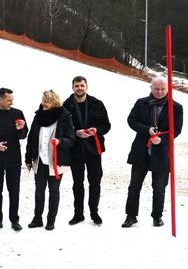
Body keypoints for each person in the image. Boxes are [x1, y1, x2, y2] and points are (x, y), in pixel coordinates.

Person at [122, 76, 183, 228]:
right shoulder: (141, 103)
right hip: (141, 151)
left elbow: (176, 130)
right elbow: (131, 120)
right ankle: (131, 216)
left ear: (168, 89)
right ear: (150, 88)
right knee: (134, 185)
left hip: (162, 153)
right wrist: (146, 130)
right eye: (156, 89)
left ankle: (157, 216)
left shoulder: (176, 107)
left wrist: (162, 140)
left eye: (163, 89)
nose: (160, 92)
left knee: (159, 187)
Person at [63, 76, 111, 225]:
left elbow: (107, 125)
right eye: (76, 86)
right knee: (78, 183)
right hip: (75, 150)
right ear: (72, 88)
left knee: (95, 182)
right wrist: (75, 132)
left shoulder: (97, 104)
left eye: (82, 85)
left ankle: (94, 212)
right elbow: (62, 128)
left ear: (86, 87)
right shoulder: (65, 105)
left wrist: (96, 130)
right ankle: (78, 214)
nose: (79, 88)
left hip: (93, 150)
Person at [25, 90, 75, 231]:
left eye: (46, 101)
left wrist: (60, 141)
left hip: (56, 162)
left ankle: (50, 220)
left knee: (54, 190)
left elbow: (71, 139)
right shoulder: (38, 116)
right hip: (39, 160)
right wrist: (28, 158)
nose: (43, 103)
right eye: (43, 100)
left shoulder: (65, 117)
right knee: (39, 191)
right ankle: (37, 219)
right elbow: (32, 138)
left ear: (54, 102)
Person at [0, 88, 28, 231]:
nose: (11, 102)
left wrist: (21, 129)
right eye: (9, 100)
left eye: (12, 99)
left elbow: (24, 134)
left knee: (14, 191)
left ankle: (14, 220)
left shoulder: (18, 113)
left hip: (13, 159)